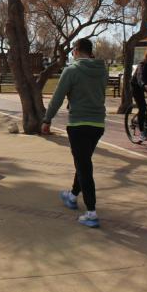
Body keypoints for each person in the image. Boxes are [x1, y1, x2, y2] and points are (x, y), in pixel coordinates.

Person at [41, 38, 108, 228]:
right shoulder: (102, 70)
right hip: (97, 124)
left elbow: (58, 97)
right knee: (83, 161)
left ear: (76, 51)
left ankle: (91, 212)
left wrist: (47, 119)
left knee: (84, 166)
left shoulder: (72, 70)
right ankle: (71, 196)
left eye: (72, 51)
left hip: (78, 124)